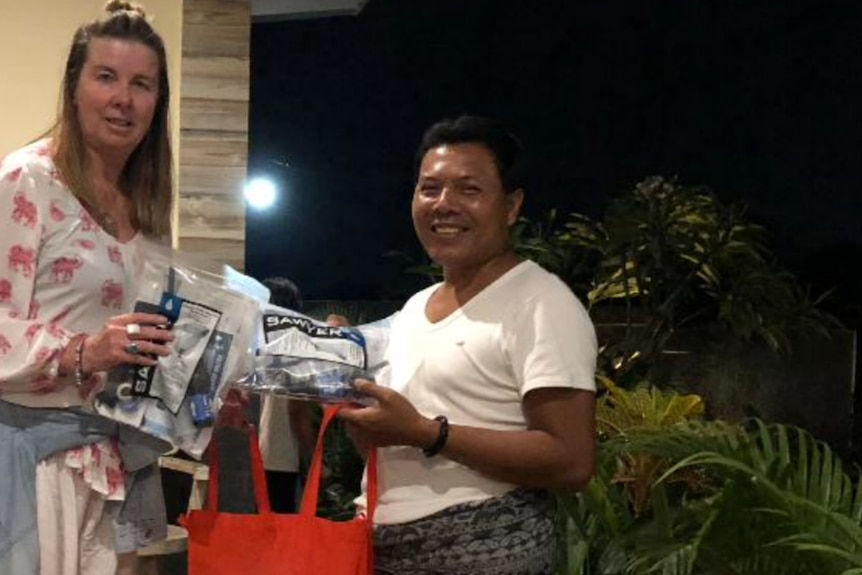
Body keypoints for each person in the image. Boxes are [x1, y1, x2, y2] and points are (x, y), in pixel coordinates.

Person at [338, 115, 598, 574]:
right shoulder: (415, 308)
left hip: (486, 551)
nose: (444, 204)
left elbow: (571, 461)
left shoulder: (542, 302)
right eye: (429, 188)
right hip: (386, 551)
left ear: (512, 206)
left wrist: (426, 432)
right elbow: (404, 453)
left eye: (469, 189)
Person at [0, 2, 175, 573]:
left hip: (116, 464)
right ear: (74, 89)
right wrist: (82, 351)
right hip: (34, 464)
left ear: (157, 102)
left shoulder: (146, 209)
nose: (123, 98)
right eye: (106, 77)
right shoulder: (28, 179)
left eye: (141, 84)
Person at [258, 276, 305, 513]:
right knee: (285, 529)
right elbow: (296, 410)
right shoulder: (297, 347)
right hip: (286, 455)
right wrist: (315, 456)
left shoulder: (264, 346)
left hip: (264, 451)